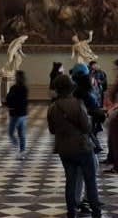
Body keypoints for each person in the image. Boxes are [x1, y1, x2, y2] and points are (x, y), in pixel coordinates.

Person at [48, 74, 102, 218]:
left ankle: (71, 212)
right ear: (71, 88)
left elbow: (52, 130)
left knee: (70, 182)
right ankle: (96, 212)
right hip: (82, 147)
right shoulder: (78, 104)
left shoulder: (52, 107)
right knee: (90, 181)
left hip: (64, 149)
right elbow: (86, 127)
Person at [6, 70, 29, 159]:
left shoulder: (17, 88)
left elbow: (10, 99)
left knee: (11, 133)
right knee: (21, 134)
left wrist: (12, 105)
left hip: (16, 114)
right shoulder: (22, 88)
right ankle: (21, 151)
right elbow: (9, 98)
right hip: (22, 114)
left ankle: (17, 148)